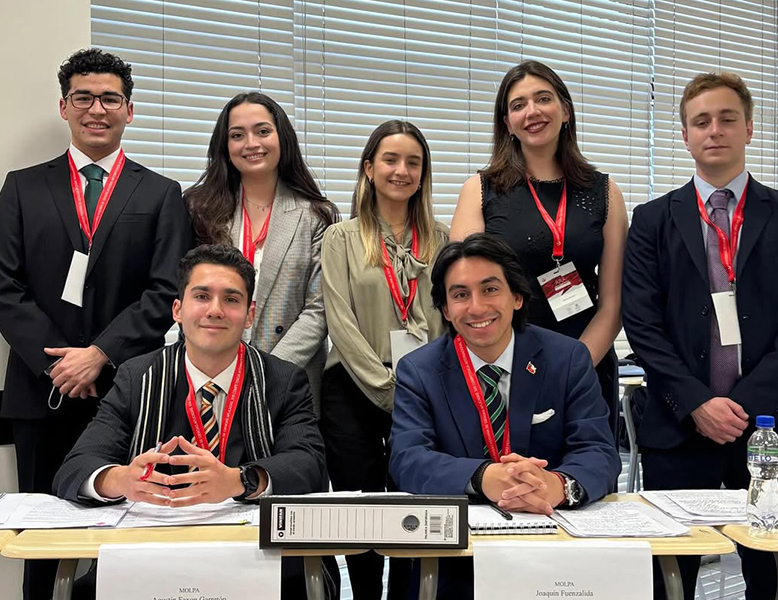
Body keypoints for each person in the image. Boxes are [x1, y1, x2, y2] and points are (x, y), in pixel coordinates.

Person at [0, 48, 193, 600]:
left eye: (110, 98)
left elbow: (166, 291)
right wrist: (59, 364)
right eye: (83, 97)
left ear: (130, 109)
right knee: (42, 540)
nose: (96, 109)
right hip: (41, 392)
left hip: (128, 389)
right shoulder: (22, 187)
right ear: (64, 107)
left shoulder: (160, 193)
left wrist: (100, 354)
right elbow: (4, 285)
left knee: (130, 539)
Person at [54, 244, 338, 600]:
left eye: (231, 299)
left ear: (249, 315)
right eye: (202, 296)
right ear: (178, 309)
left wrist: (238, 481)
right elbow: (75, 467)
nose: (215, 310)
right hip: (152, 555)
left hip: (256, 557)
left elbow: (309, 464)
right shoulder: (137, 376)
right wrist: (120, 480)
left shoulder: (283, 380)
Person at [622, 72, 778, 600]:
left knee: (772, 575)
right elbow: (642, 323)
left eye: (727, 119)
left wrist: (743, 406)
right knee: (669, 579)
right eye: (701, 121)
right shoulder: (652, 220)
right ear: (685, 135)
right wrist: (698, 402)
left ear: (749, 129)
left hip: (768, 428)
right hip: (678, 425)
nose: (714, 130)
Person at [390, 233, 619, 600]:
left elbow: (599, 451)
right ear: (445, 310)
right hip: (458, 561)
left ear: (516, 297)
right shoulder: (419, 370)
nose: (476, 307)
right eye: (460, 295)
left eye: (490, 289)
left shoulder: (567, 359)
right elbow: (407, 458)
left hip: (557, 550)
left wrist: (558, 486)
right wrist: (483, 478)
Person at [450, 60, 628, 443]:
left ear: (566, 111)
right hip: (505, 369)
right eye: (518, 105)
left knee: (585, 475)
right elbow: (466, 296)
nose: (532, 111)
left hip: (587, 365)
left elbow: (613, 302)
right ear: (507, 123)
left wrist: (572, 369)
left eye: (543, 99)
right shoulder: (479, 190)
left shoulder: (606, 192)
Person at [320, 120, 449, 600]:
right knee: (362, 513)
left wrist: (418, 388)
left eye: (413, 162)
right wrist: (386, 388)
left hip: (425, 390)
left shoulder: (442, 239)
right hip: (353, 388)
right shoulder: (341, 237)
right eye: (391, 160)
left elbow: (447, 320)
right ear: (369, 168)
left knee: (414, 509)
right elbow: (339, 320)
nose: (402, 171)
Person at [184, 91, 338, 413]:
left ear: (282, 138)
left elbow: (318, 310)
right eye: (237, 135)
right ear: (225, 146)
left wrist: (264, 372)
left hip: (288, 379)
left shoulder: (316, 215)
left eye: (263, 131)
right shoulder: (199, 208)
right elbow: (189, 295)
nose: (251, 143)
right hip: (210, 374)